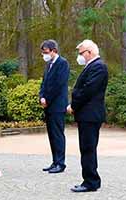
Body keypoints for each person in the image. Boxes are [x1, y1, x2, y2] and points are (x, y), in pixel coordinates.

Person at [67, 40, 108, 193]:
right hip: (87, 114)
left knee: (88, 148)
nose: (80, 56)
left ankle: (91, 181)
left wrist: (74, 105)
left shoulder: (98, 67)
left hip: (90, 115)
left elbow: (87, 91)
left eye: (81, 53)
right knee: (86, 148)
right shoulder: (92, 66)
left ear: (89, 52)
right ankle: (90, 179)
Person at [39, 40, 70, 174]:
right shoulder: (48, 65)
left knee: (58, 134)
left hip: (57, 105)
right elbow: (44, 83)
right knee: (51, 134)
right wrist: (41, 96)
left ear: (54, 51)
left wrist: (48, 99)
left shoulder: (63, 64)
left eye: (46, 52)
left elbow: (58, 85)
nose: (44, 55)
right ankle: (54, 161)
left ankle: (60, 163)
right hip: (48, 105)